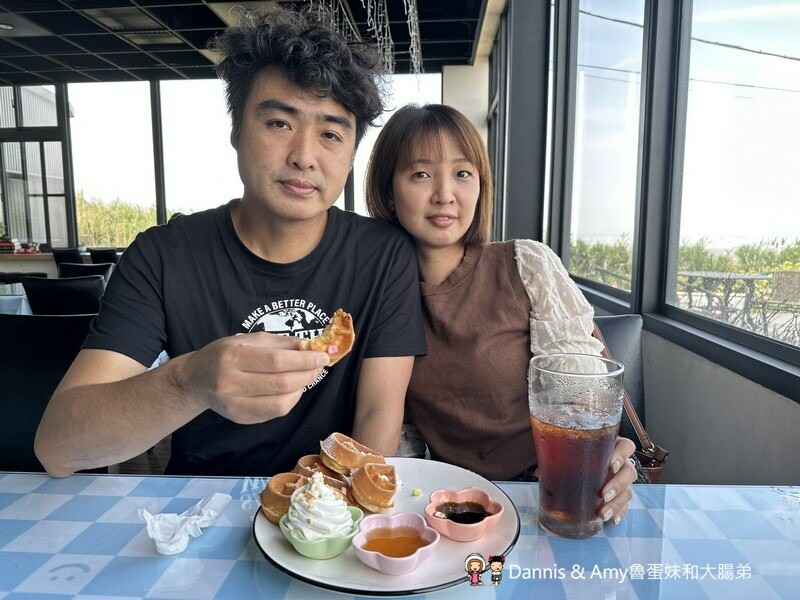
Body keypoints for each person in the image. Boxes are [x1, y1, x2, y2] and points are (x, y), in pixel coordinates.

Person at [34, 7, 426, 477]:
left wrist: (328, 521)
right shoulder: (164, 255)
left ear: (350, 156)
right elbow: (57, 447)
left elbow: (378, 415)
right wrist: (189, 381)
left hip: (330, 507)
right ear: (237, 131)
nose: (304, 156)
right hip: (196, 507)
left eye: (330, 133)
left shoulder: (383, 255)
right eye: (279, 124)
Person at [366, 104, 639, 524]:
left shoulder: (525, 266)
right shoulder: (381, 296)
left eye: (462, 173)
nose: (445, 194)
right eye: (421, 174)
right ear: (388, 191)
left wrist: (612, 457)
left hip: (547, 493)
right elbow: (401, 432)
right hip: (452, 503)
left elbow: (582, 396)